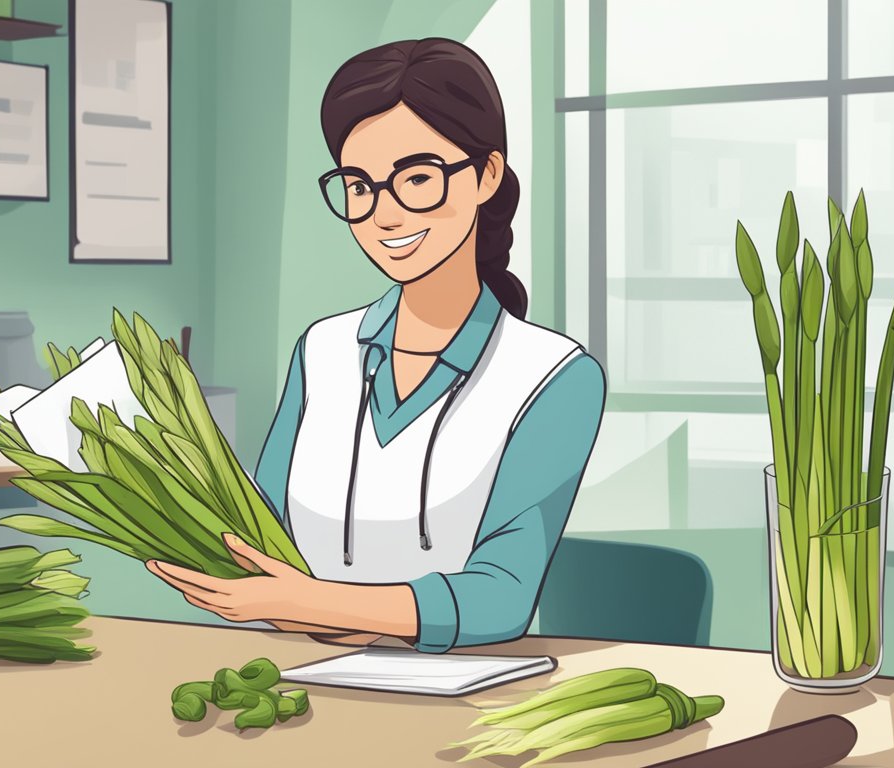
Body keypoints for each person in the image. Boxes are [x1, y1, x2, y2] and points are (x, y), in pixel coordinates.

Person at [146, 38, 606, 653]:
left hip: (460, 700)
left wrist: (303, 600)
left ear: (487, 175)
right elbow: (260, 537)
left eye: (418, 178)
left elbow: (500, 598)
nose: (383, 214)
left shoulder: (552, 377)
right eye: (359, 185)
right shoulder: (322, 350)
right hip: (301, 680)